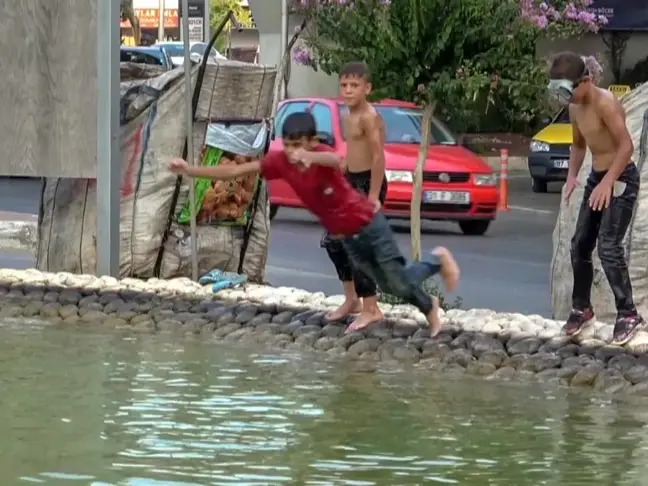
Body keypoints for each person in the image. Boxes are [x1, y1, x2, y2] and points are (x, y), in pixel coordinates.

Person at [168, 111, 460, 336]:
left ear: (311, 141)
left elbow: (339, 162)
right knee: (387, 284)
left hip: (369, 223)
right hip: (347, 236)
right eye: (290, 145)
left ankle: (434, 281)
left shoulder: (320, 155)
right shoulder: (281, 161)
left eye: (299, 145)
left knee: (398, 279)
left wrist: (310, 156)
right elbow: (239, 169)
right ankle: (431, 292)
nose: (294, 151)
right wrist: (189, 170)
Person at [548, 51, 644, 345]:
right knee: (579, 245)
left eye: (568, 90)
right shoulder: (575, 109)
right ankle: (582, 308)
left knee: (609, 247)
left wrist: (609, 182)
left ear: (585, 81)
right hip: (596, 179)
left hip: (621, 178)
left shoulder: (605, 103)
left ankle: (628, 314)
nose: (565, 98)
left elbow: (626, 146)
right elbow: (578, 145)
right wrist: (571, 177)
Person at [321, 61, 387, 330]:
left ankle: (371, 308)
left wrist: (373, 196)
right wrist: (344, 165)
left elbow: (378, 156)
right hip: (351, 180)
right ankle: (352, 299)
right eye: (344, 85)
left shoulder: (370, 117)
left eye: (354, 85)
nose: (348, 90)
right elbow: (354, 148)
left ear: (367, 88)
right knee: (334, 242)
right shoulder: (347, 115)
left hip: (369, 182)